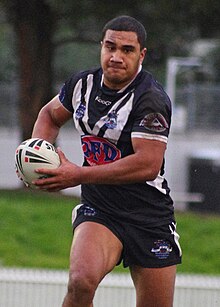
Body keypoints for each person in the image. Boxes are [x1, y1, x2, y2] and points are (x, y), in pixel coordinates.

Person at [31, 15, 182, 307]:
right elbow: (49, 115)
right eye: (110, 47)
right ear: (101, 46)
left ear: (142, 55)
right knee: (80, 282)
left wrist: (77, 175)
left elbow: (146, 165)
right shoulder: (82, 84)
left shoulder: (150, 100)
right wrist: (35, 153)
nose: (116, 56)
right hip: (100, 208)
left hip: (148, 216)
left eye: (127, 50)